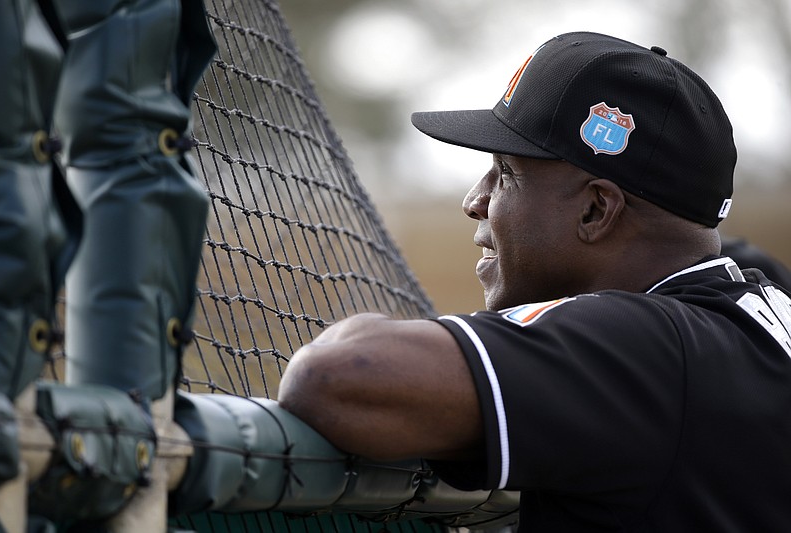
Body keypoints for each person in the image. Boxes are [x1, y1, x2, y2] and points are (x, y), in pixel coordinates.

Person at [278, 31, 791, 532]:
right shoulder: (757, 310)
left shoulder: (651, 345)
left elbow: (337, 378)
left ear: (595, 210)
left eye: (505, 174)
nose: (474, 200)